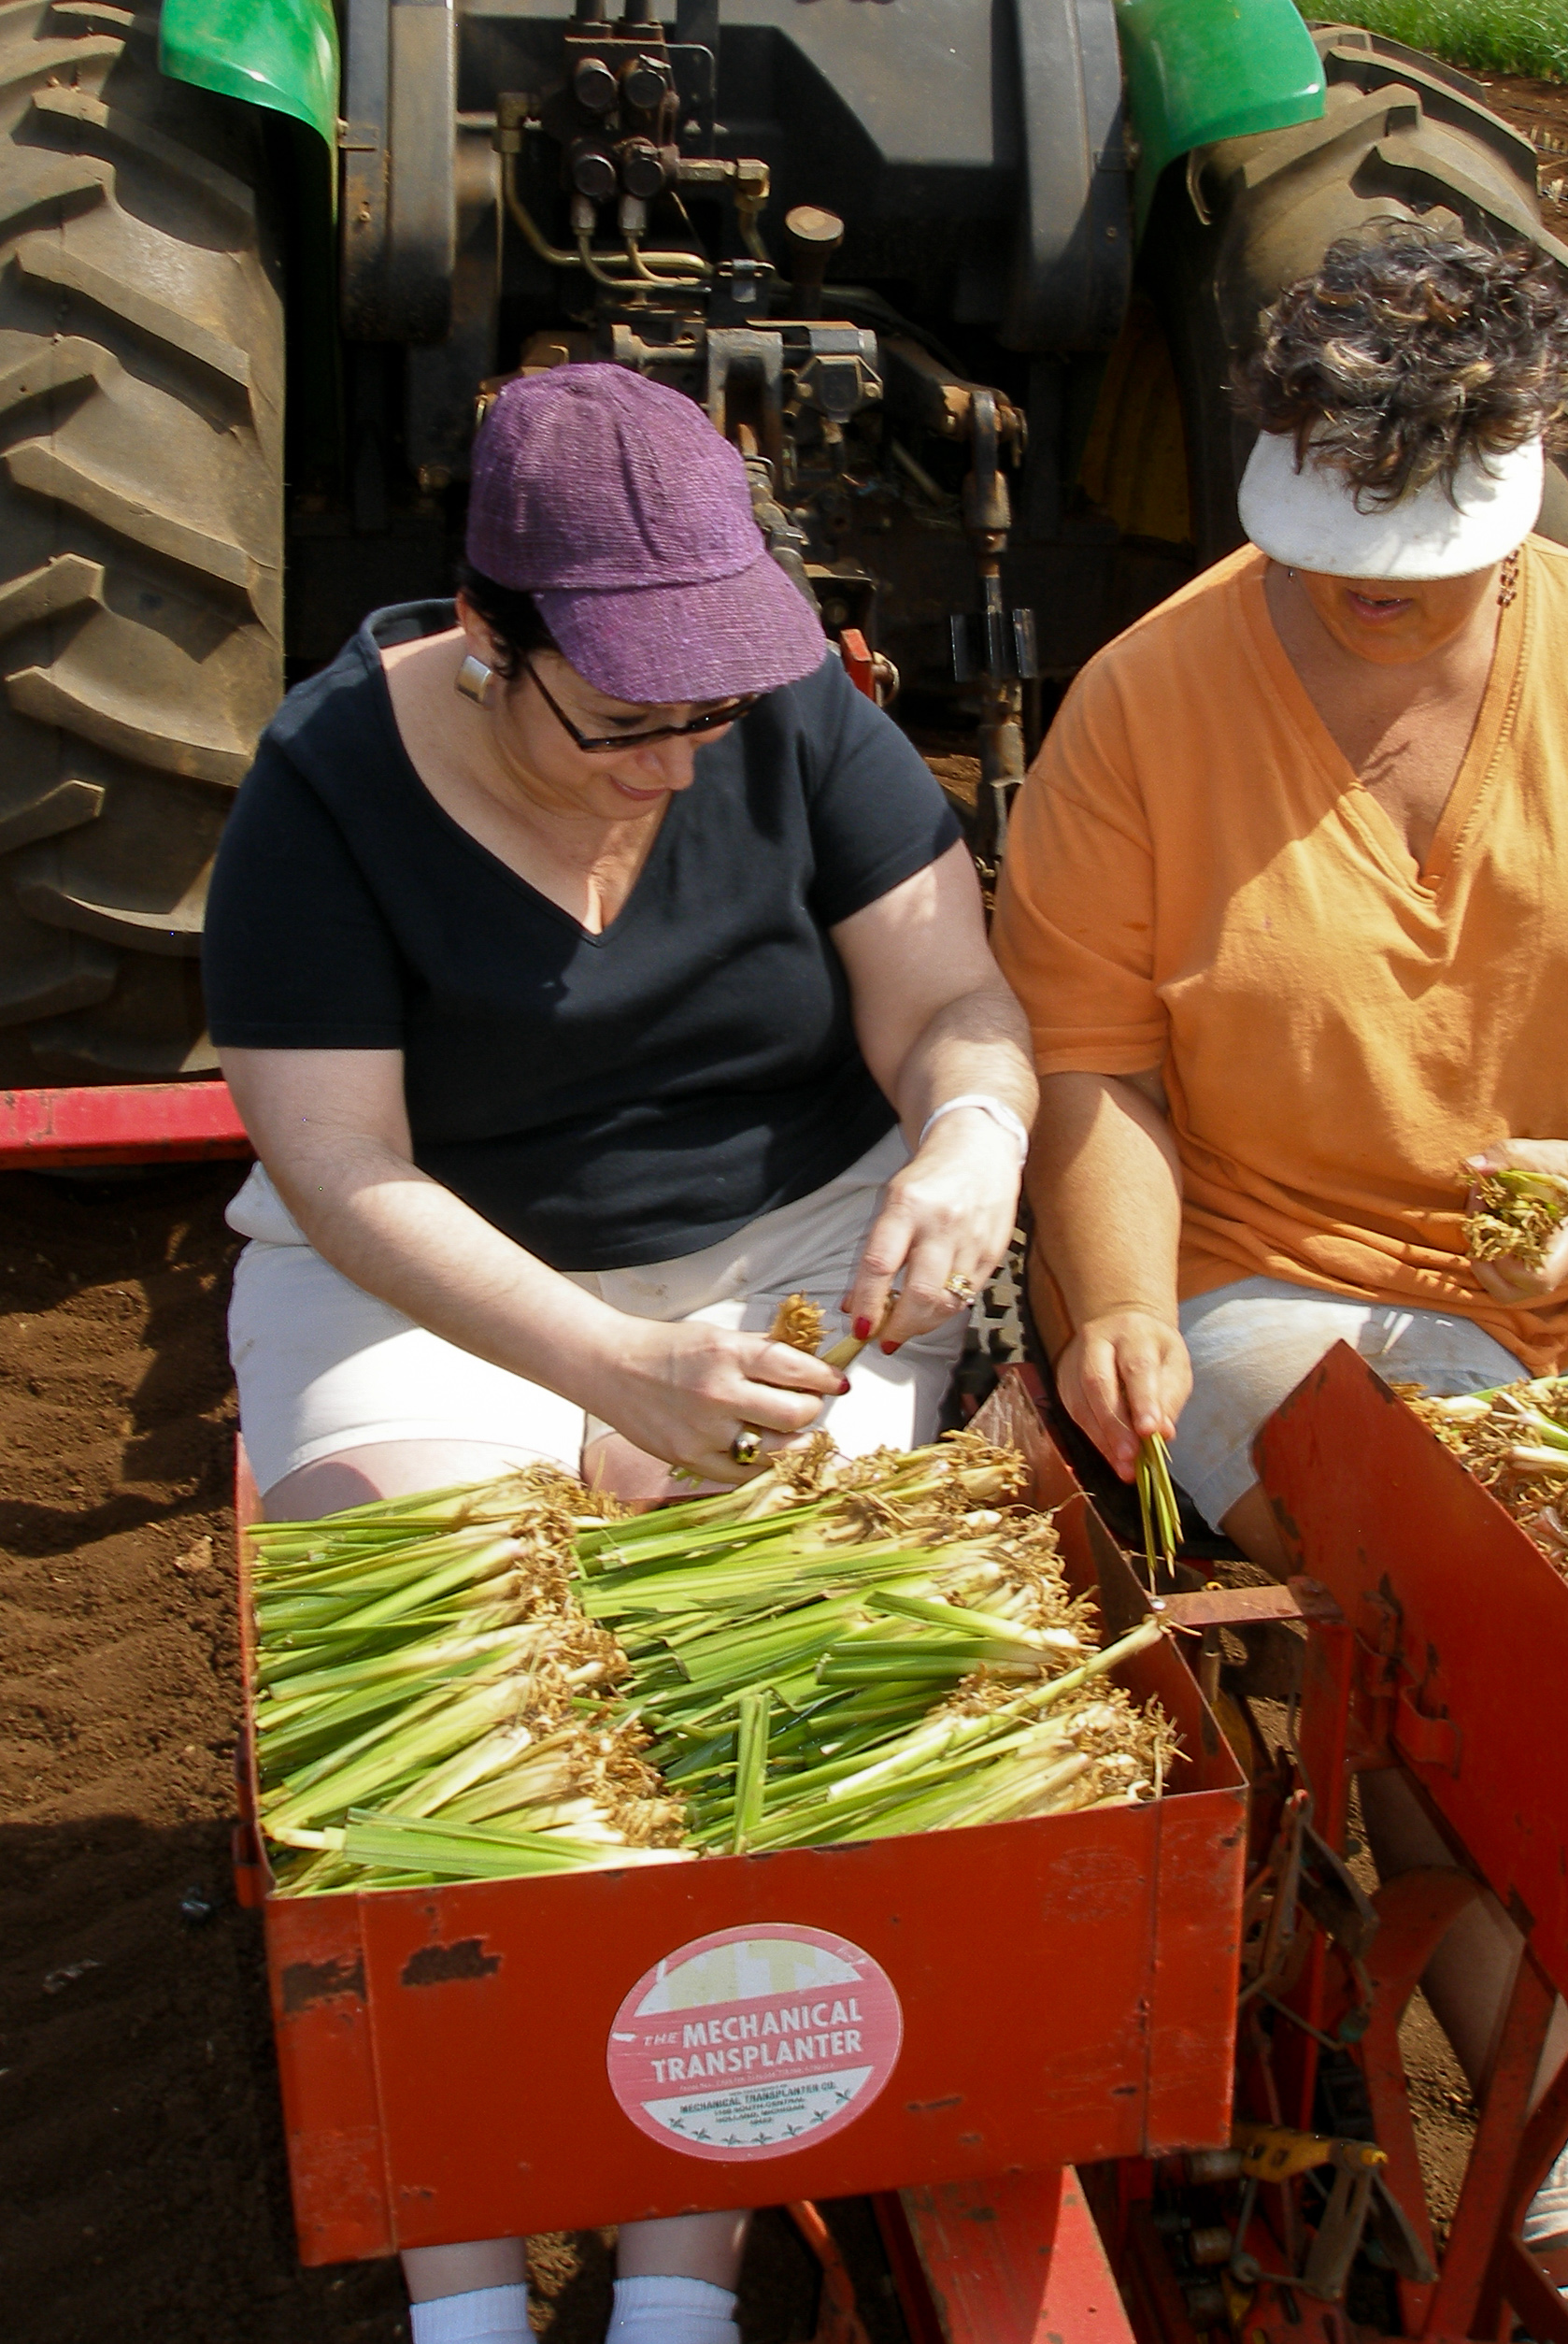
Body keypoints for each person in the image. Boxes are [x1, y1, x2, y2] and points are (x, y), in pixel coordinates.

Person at [992, 226, 1568, 2280]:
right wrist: (1116, 1309)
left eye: (1425, 550)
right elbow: (1097, 1066)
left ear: (1532, 463)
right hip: (1287, 1263)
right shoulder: (1146, 704)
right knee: (1476, 1646)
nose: (1370, 587)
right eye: (1329, 538)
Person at [203, 364, 1035, 2344]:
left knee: (763, 1659)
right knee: (434, 1635)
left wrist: (977, 1136)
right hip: (449, 1267)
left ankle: (682, 2279)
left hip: (793, 1242)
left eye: (713, 711)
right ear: (489, 639)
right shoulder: (321, 789)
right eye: (625, 720)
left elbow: (956, 1006)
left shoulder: (794, 715)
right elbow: (338, 1164)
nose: (677, 762)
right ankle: (466, 2280)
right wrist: (600, 1362)